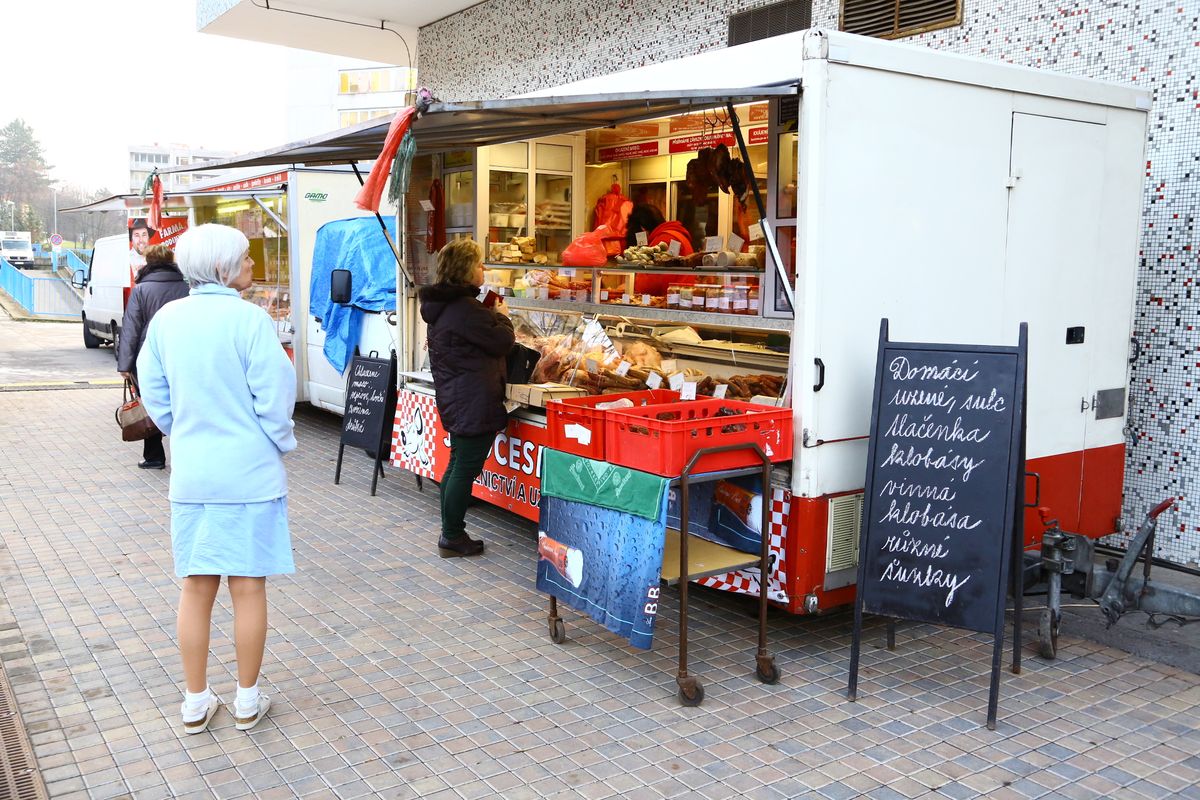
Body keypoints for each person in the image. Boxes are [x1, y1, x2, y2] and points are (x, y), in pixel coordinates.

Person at [136, 223, 297, 734]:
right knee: (248, 586)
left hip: (194, 473)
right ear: (226, 268)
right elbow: (275, 395)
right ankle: (247, 699)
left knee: (196, 586)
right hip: (249, 472)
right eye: (247, 260)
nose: (253, 267)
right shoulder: (250, 320)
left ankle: (194, 701)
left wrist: (178, 428)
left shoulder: (167, 320)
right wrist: (278, 439)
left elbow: (153, 389)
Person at [418, 238, 515, 558]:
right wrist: (502, 315)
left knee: (457, 463)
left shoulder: (447, 306)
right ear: (464, 269)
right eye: (478, 263)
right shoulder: (465, 310)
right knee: (464, 468)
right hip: (473, 399)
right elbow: (502, 341)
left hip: (458, 397)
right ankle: (452, 535)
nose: (483, 268)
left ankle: (450, 531)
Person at [117, 244, 189, 469]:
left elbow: (131, 329)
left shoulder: (141, 290)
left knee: (150, 403)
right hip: (182, 355)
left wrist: (125, 365)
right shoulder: (186, 286)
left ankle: (154, 456)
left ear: (148, 262)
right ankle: (186, 455)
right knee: (184, 403)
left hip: (148, 357)